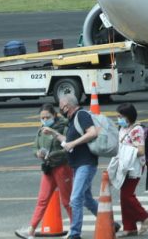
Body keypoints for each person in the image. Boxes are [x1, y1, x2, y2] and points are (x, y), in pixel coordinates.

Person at [45, 94, 105, 239]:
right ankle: (109, 221)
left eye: (61, 106)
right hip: (77, 165)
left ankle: (75, 233)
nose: (60, 109)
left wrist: (73, 143)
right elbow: (68, 141)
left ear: (68, 106)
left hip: (86, 163)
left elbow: (92, 132)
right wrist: (54, 133)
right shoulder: (72, 120)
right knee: (86, 199)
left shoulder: (81, 115)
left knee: (76, 198)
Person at [15, 104, 73, 239]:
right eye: (42, 118)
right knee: (42, 199)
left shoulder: (63, 128)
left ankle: (74, 228)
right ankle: (31, 230)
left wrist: (52, 154)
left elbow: (68, 148)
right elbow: (35, 146)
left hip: (62, 167)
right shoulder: (41, 129)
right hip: (48, 168)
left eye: (48, 117)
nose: (45, 120)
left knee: (67, 201)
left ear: (55, 116)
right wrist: (38, 153)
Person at [114, 103, 148, 236]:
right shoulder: (122, 128)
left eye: (120, 116)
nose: (118, 119)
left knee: (127, 195)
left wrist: (126, 152)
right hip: (125, 166)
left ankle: (145, 217)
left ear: (128, 117)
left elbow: (141, 151)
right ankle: (129, 227)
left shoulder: (136, 130)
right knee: (124, 196)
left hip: (134, 167)